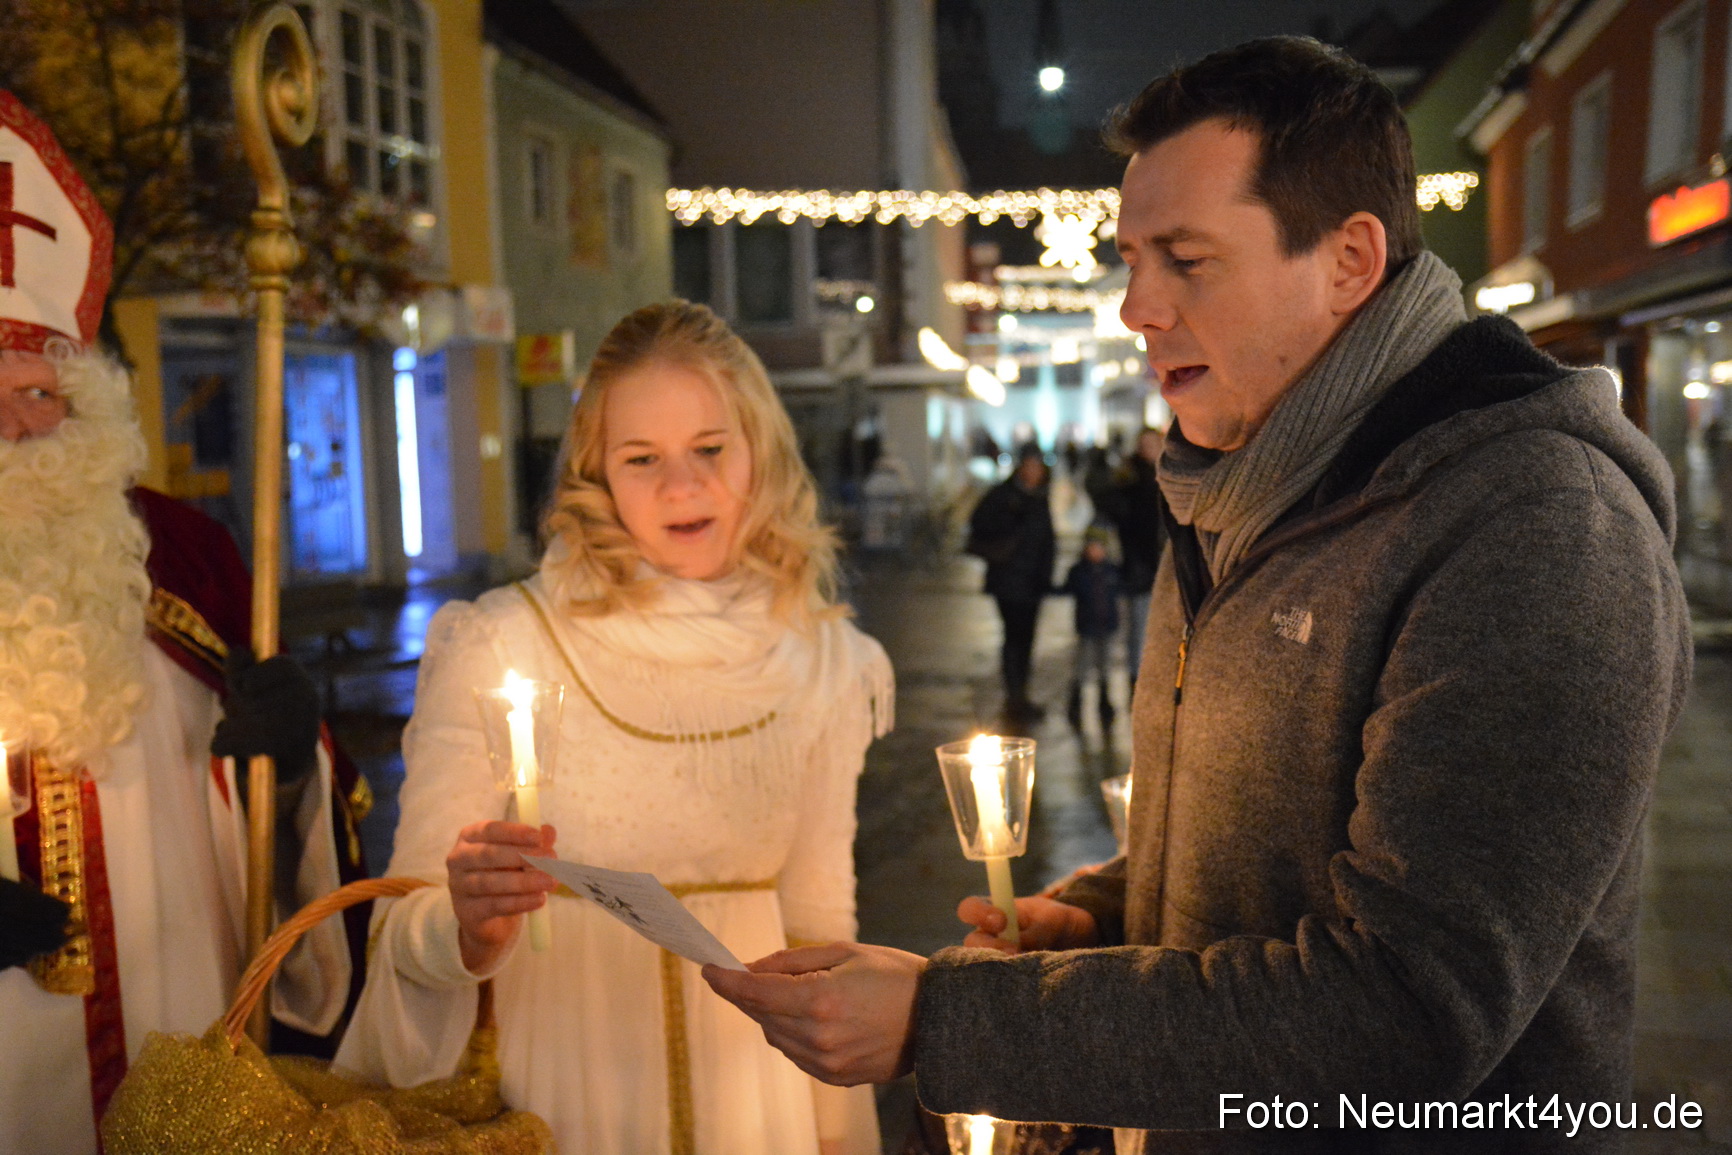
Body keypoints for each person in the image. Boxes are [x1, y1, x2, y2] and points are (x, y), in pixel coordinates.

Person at [703, 37, 1690, 1154]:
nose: (1134, 307)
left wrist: (950, 1022)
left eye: (1185, 260)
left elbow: (1410, 1011)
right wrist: (1120, 913)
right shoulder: (1243, 483)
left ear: (1348, 262)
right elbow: (1280, 854)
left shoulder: (1536, 527)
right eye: (1130, 259)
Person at [334, 301, 892, 1155]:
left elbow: (819, 925)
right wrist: (467, 928)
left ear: (762, 451)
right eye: (642, 459)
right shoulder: (504, 642)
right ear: (596, 472)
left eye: (710, 448)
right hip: (558, 1088)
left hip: (754, 1101)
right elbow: (404, 920)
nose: (682, 485)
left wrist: (836, 1138)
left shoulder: (825, 661)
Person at [0, 90, 359, 1153]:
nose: (18, 428)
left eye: (40, 393)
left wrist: (296, 765)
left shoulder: (190, 560)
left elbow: (282, 832)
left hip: (190, 1042)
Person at [965, 443, 1055, 722]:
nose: (1033, 471)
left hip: (1033, 581)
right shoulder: (1002, 495)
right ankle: (1014, 696)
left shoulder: (1040, 497)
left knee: (1026, 639)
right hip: (1009, 580)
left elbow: (1047, 540)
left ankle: (1020, 695)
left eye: (1037, 466)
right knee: (1014, 638)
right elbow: (979, 524)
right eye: (1029, 465)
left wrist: (1046, 574)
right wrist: (1010, 524)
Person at [1104, 426, 1166, 689]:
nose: (1149, 450)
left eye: (1154, 444)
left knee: (1164, 627)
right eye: (1145, 445)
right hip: (1140, 565)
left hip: (1166, 565)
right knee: (1139, 628)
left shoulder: (1171, 476)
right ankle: (1136, 680)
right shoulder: (1128, 479)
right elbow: (1115, 514)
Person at [1059, 525, 1121, 732]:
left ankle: (1104, 702)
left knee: (1105, 665)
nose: (1095, 552)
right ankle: (1076, 702)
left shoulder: (1111, 570)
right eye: (1092, 547)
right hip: (1087, 627)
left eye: (1099, 548)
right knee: (1082, 665)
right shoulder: (1079, 572)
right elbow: (1067, 588)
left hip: (1106, 625)